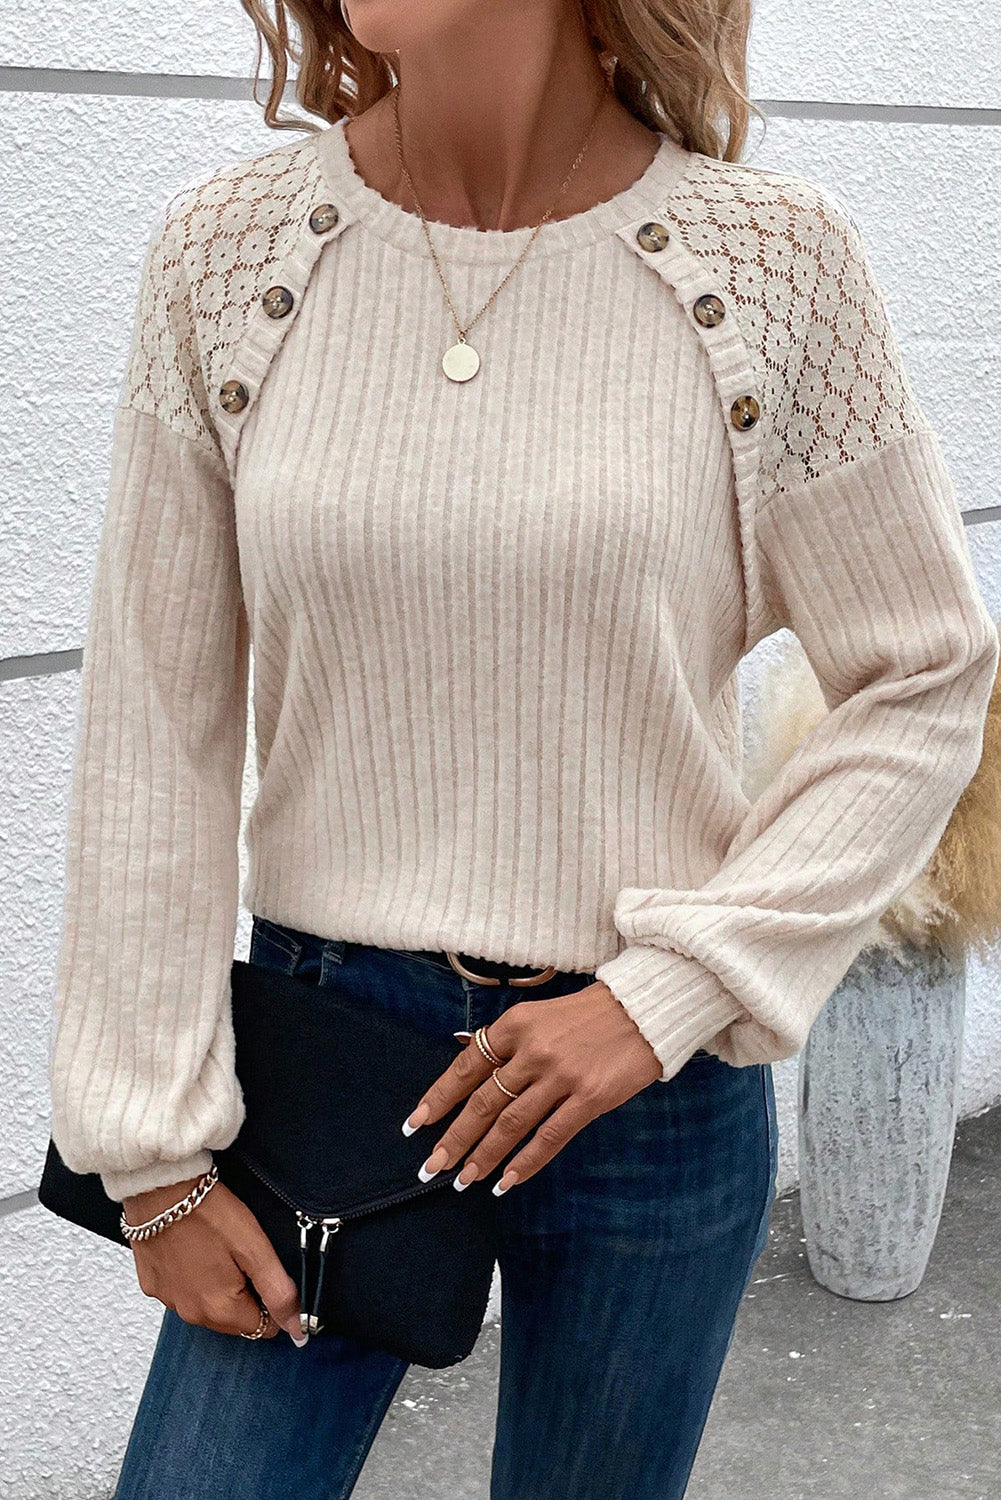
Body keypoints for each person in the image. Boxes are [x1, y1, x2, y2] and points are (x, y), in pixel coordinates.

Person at [47, 2, 997, 1497]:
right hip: (327, 1064)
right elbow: (156, 723)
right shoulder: (231, 255)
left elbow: (925, 671)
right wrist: (152, 1160)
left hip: (647, 1084)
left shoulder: (770, 266)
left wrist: (671, 992)